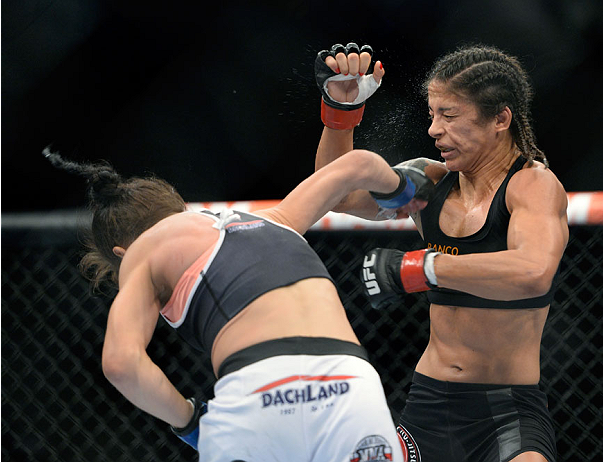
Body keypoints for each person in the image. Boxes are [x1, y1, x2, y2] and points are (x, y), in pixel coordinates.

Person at [44, 145, 434, 462]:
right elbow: (358, 164)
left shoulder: (143, 251)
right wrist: (402, 191)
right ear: (180, 207)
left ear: (119, 251)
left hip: (257, 394)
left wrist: (189, 422)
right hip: (350, 387)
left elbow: (120, 362)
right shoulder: (275, 219)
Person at [314, 43, 568, 462]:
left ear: (500, 119)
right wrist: (340, 113)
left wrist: (423, 267)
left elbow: (533, 270)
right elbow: (336, 196)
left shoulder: (532, 185)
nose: (433, 130)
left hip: (506, 412)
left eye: (449, 116)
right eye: (433, 114)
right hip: (427, 406)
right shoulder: (430, 183)